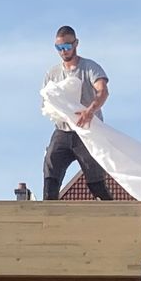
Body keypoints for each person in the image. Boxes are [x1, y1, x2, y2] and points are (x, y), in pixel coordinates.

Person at [39, 25, 115, 200]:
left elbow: (102, 91)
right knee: (51, 167)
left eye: (67, 46)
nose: (63, 51)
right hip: (63, 131)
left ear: (76, 44)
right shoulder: (52, 74)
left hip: (86, 130)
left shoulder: (89, 67)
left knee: (94, 179)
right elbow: (46, 100)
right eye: (59, 48)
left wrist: (90, 110)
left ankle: (112, 213)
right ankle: (48, 214)